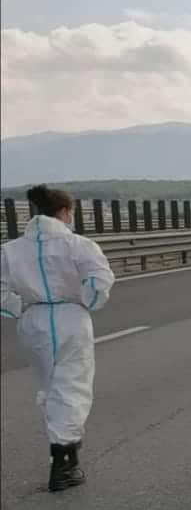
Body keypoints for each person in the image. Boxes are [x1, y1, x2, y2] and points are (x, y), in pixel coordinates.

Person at [0, 184, 115, 492]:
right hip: (69, 317)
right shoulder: (78, 245)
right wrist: (87, 301)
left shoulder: (11, 250)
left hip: (34, 319)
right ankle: (64, 462)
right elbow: (99, 281)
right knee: (72, 385)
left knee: (50, 386)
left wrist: (18, 306)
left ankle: (61, 453)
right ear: (64, 211)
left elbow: (0, 292)